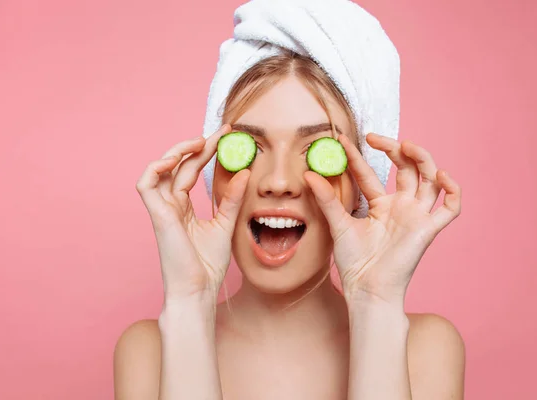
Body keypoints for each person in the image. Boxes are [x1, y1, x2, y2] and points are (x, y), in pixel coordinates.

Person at [114, 2, 465, 399]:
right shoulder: (150, 351)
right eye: (250, 145)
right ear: (212, 174)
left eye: (318, 149)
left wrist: (376, 303)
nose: (279, 182)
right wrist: (189, 303)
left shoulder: (426, 349)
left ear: (360, 185)